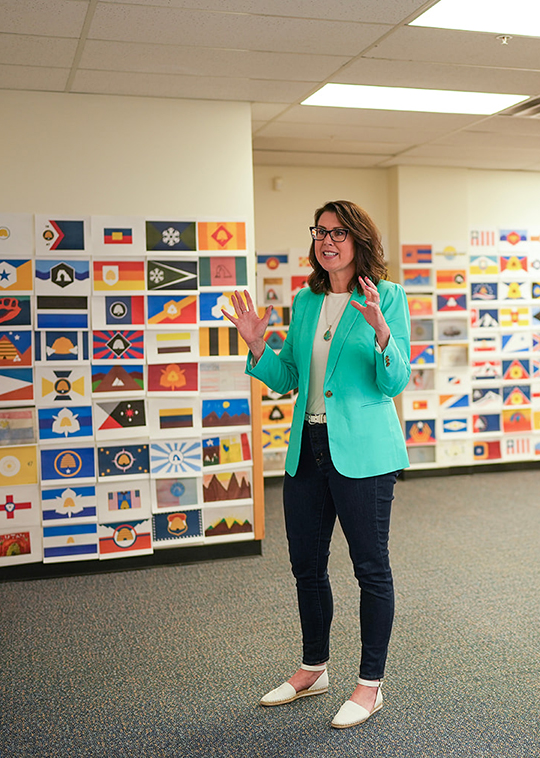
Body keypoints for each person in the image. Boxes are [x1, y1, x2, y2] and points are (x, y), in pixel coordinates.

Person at [223, 200, 411, 729]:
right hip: (308, 448)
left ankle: (370, 684)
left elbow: (393, 382)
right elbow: (289, 378)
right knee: (306, 564)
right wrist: (258, 345)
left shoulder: (387, 298)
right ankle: (314, 668)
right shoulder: (307, 302)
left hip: (365, 454)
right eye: (321, 232)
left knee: (370, 569)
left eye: (339, 233)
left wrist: (380, 330)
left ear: (359, 241)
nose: (328, 241)